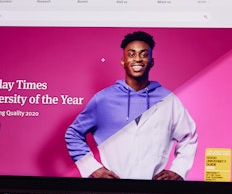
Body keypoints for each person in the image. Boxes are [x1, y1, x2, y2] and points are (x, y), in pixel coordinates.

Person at [65, 31, 197, 180]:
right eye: (132, 54)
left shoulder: (169, 100)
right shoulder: (103, 99)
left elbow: (189, 137)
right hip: (112, 190)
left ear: (152, 61)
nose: (138, 59)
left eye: (144, 54)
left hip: (155, 192)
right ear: (123, 61)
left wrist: (178, 170)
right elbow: (73, 134)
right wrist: (93, 168)